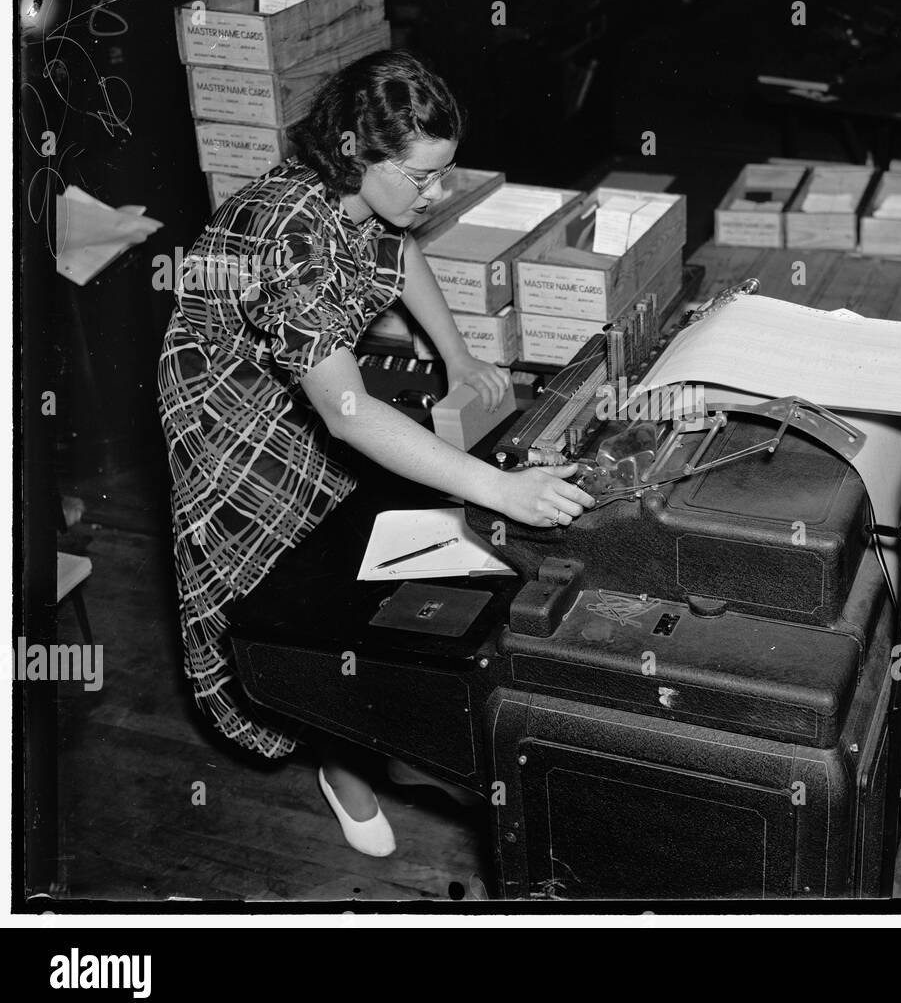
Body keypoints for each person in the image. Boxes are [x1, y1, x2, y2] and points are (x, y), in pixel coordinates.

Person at [157, 50, 593, 857]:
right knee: (286, 601)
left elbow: (402, 253)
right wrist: (501, 488)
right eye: (421, 178)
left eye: (442, 175)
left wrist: (458, 355)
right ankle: (344, 767)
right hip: (231, 412)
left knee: (352, 564)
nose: (434, 197)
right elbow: (351, 415)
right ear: (357, 148)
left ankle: (373, 739)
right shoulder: (290, 232)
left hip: (310, 389)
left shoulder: (362, 195)